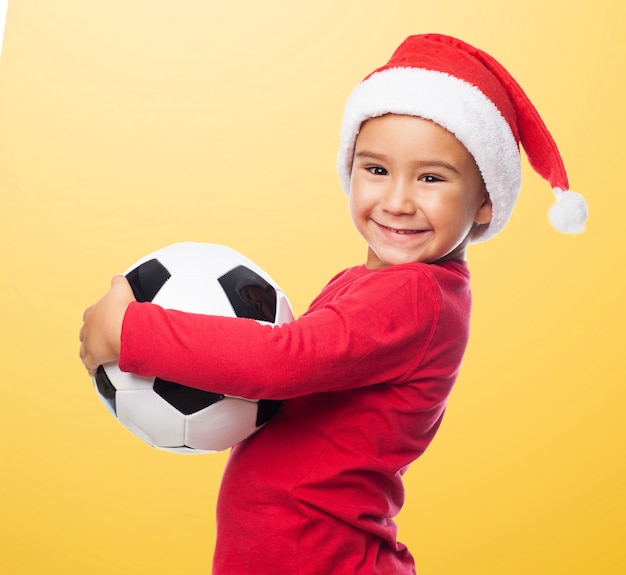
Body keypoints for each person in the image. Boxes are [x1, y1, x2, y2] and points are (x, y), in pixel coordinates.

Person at [79, 34, 587, 574]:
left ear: (485, 201)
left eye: (431, 177)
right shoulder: (380, 285)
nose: (396, 200)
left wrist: (132, 332)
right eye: (376, 170)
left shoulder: (417, 297)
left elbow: (276, 362)